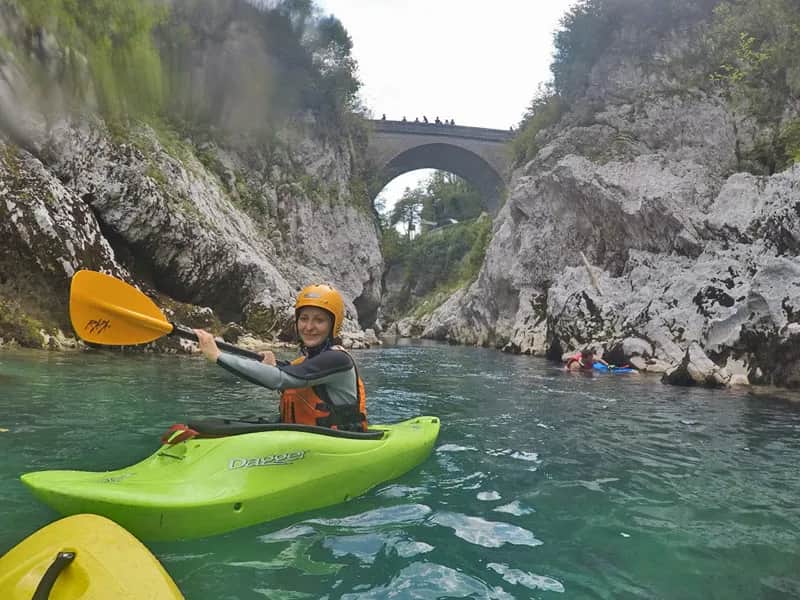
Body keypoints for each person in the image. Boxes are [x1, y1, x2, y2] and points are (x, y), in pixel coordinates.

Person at [195, 284, 368, 431]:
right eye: (304, 319)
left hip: (339, 442)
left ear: (333, 325)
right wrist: (271, 365)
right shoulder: (303, 363)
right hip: (303, 437)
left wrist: (218, 356)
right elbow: (290, 370)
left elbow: (279, 379)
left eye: (319, 320)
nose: (309, 327)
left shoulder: (337, 359)